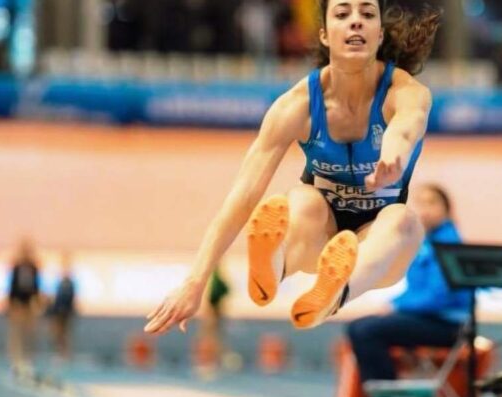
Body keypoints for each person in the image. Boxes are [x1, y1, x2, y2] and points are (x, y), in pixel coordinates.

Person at [145, 0, 441, 334]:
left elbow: (406, 126)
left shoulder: (407, 92)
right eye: (343, 14)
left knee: (402, 219)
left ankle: (334, 292)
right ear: (325, 35)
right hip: (319, 237)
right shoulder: (296, 106)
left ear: (379, 34)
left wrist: (392, 156)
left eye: (367, 14)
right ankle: (271, 269)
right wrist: (195, 281)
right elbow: (242, 196)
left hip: (380, 249)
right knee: (301, 199)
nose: (356, 22)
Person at [346, 184, 469, 382]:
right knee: (358, 326)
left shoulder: (448, 243)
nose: (425, 209)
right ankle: (380, 396)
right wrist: (394, 303)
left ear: (446, 209)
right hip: (426, 319)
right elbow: (415, 291)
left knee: (366, 331)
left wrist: (396, 306)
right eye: (420, 203)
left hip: (447, 325)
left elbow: (439, 297)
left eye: (432, 203)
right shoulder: (425, 242)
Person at [6, 237, 42, 375]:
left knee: (29, 334)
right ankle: (16, 361)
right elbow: (11, 286)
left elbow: (36, 286)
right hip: (17, 305)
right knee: (16, 334)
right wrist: (10, 304)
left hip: (29, 305)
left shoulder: (34, 267)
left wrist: (37, 302)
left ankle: (28, 361)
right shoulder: (16, 266)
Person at [46, 251, 76, 362]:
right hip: (57, 312)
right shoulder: (56, 281)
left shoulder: (70, 282)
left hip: (66, 312)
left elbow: (71, 297)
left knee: (65, 334)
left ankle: (65, 354)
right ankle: (59, 352)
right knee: (56, 334)